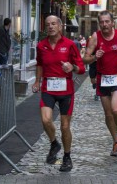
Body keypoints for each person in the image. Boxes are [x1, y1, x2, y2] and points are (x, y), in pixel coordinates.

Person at [32, 15, 85, 172]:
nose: (50, 26)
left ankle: (67, 157)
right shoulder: (41, 46)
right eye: (48, 24)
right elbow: (40, 64)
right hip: (48, 88)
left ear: (60, 27)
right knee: (46, 120)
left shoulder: (69, 45)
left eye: (54, 23)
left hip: (66, 91)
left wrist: (72, 67)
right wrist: (37, 81)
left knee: (65, 126)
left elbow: (81, 68)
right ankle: (54, 143)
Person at [83, 10, 117, 156]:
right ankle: (115, 141)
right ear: (99, 24)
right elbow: (85, 59)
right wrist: (94, 57)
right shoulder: (95, 37)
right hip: (103, 78)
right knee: (108, 114)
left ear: (112, 22)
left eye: (107, 21)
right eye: (102, 22)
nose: (105, 24)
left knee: (116, 109)